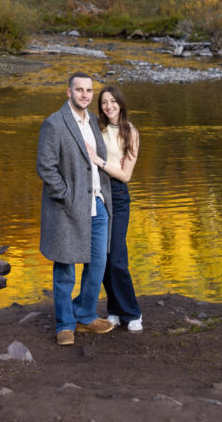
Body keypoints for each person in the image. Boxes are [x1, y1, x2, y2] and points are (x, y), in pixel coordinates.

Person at [36, 70, 115, 345]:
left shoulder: (94, 121)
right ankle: (65, 325)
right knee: (66, 265)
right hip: (68, 206)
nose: (85, 95)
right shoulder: (54, 124)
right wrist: (67, 196)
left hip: (97, 204)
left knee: (97, 263)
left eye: (89, 91)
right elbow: (45, 167)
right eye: (79, 90)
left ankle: (84, 315)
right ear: (69, 92)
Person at [85, 84, 142, 332]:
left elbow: (126, 174)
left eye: (113, 101)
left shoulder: (130, 132)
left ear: (121, 103)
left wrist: (99, 161)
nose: (109, 106)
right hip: (97, 193)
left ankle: (133, 313)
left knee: (117, 257)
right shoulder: (96, 127)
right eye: (104, 102)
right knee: (103, 257)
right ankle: (115, 310)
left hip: (117, 195)